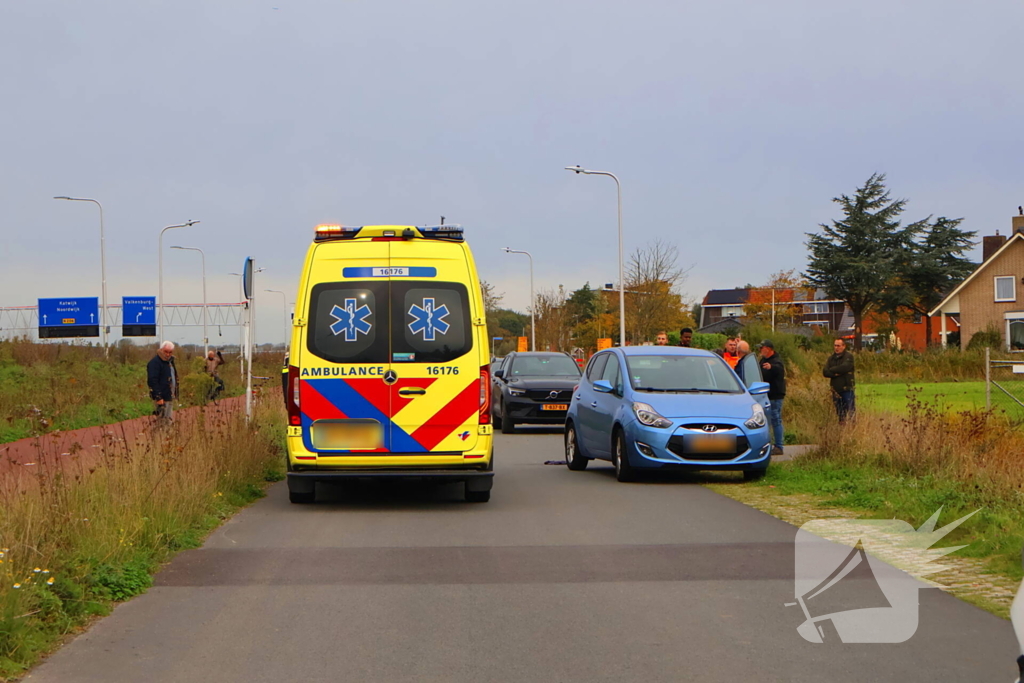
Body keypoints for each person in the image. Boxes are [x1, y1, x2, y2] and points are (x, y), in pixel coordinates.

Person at [758, 340, 786, 455]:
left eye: (762, 348)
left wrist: (772, 367)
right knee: (765, 421)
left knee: (776, 420)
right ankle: (767, 445)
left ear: (768, 349)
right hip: (765, 395)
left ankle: (779, 446)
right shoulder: (763, 360)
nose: (760, 350)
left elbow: (779, 369)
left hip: (775, 395)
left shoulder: (776, 361)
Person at [823, 338, 855, 422]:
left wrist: (832, 369)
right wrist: (835, 373)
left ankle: (852, 429)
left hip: (846, 389)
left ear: (844, 346)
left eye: (838, 345)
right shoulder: (831, 358)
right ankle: (842, 429)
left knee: (851, 411)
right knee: (840, 413)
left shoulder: (848, 357)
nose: (836, 348)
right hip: (836, 390)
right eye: (835, 345)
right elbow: (825, 372)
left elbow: (844, 367)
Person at [147, 341, 178, 423]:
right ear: (161, 350)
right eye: (166, 352)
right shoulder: (155, 363)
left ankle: (166, 435)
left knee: (168, 420)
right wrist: (158, 396)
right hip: (161, 397)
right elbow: (152, 380)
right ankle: (158, 435)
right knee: (161, 421)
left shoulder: (170, 362)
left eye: (170, 352)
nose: (168, 354)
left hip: (169, 396)